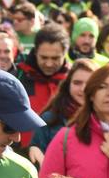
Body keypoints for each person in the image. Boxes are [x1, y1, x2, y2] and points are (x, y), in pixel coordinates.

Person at [28, 57, 97, 166]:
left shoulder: (105, 120)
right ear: (68, 85)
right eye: (77, 83)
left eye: (89, 83)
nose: (83, 89)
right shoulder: (49, 119)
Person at [14, 23, 70, 152]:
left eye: (55, 58)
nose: (49, 64)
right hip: (23, 154)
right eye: (44, 57)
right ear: (35, 51)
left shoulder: (74, 81)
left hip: (61, 155)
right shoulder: (18, 77)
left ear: (65, 54)